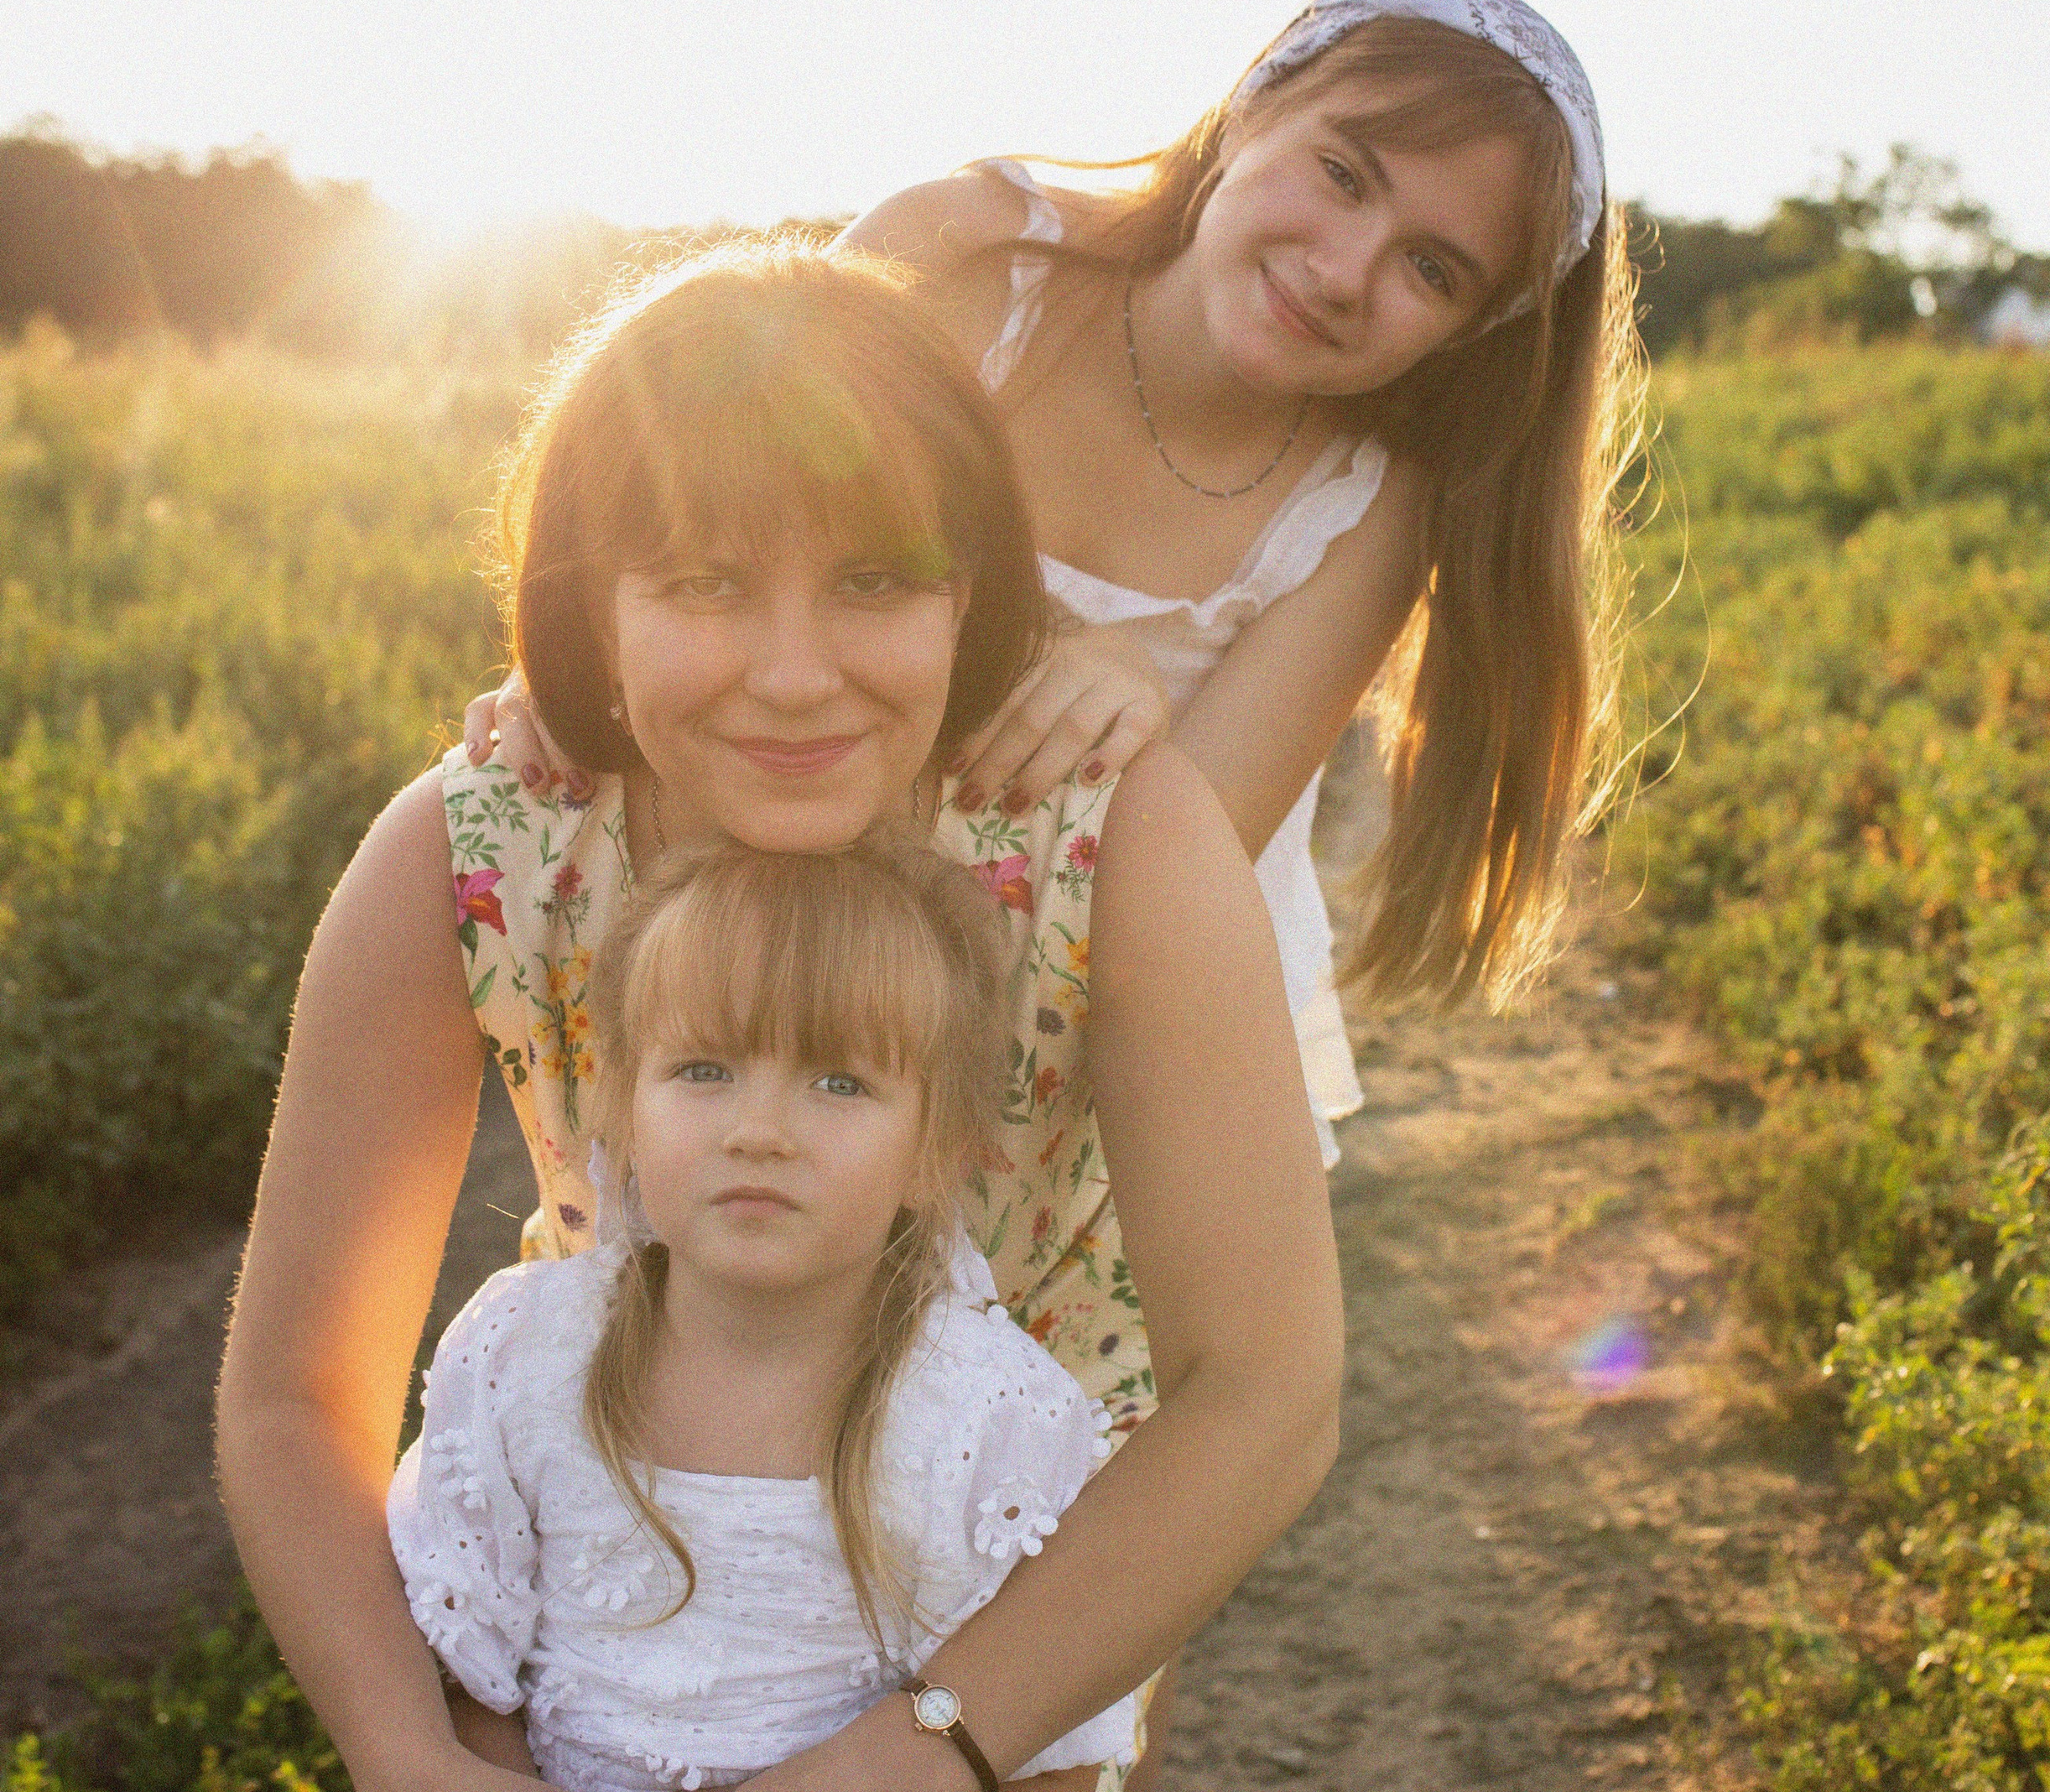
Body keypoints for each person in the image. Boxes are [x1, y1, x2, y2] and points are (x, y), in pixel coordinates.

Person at [218, 238, 1342, 1792]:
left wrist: (924, 1752)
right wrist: (409, 1751)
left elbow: (1266, 1396)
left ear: (973, 588)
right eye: (703, 583)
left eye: (876, 580)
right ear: (588, 602)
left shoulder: (1106, 840)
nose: (796, 675)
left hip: (1009, 1615)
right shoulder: (480, 845)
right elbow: (292, 1395)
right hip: (606, 1574)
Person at [469, 0, 1646, 1163]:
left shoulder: (1363, 512)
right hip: (786, 888)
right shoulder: (971, 261)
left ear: (1474, 328)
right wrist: (581, 673)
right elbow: (699, 520)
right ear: (1250, 107)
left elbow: (1155, 900)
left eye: (1431, 270)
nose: (1344, 270)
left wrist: (1139, 711)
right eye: (1343, 174)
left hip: (1082, 1000)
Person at [388, 835, 1135, 1790]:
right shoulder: (525, 1356)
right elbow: (473, 1690)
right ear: (622, 1101)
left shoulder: (987, 1413)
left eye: (839, 1082)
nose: (759, 1132)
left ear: (936, 1149)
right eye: (703, 1069)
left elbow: (1051, 1752)